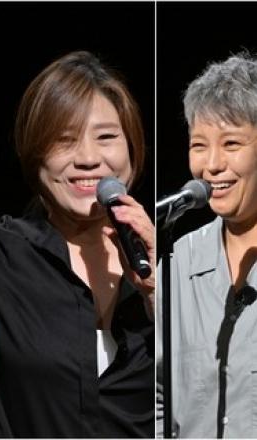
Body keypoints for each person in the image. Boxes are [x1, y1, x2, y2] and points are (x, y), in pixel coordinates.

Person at [0, 51, 155, 437]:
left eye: (106, 137)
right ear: (35, 154)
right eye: (64, 140)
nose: (88, 158)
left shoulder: (173, 259)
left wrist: (156, 293)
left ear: (132, 147)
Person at [156, 53, 257, 438]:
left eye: (231, 143)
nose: (211, 164)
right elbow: (156, 393)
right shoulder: (177, 263)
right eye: (199, 145)